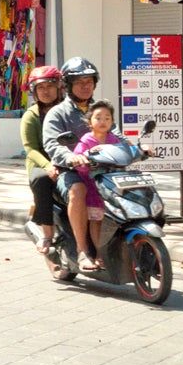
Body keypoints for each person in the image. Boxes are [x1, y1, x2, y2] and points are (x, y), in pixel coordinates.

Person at [42, 56, 102, 271]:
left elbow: (116, 135)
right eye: (79, 82)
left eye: (89, 82)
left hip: (101, 170)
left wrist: (135, 148)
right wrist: (70, 157)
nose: (86, 87)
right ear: (68, 86)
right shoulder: (57, 113)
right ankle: (82, 250)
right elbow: (51, 144)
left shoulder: (100, 110)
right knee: (78, 190)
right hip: (71, 172)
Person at [72, 100, 123, 262]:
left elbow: (126, 151)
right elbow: (78, 157)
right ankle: (99, 253)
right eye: (98, 118)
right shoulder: (86, 140)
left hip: (113, 186)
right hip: (94, 187)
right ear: (90, 122)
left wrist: (142, 149)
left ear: (112, 122)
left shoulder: (114, 139)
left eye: (107, 118)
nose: (103, 122)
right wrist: (82, 157)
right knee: (97, 220)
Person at [21, 65, 64, 253]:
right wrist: (48, 165)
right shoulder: (31, 116)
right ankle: (47, 234)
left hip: (68, 159)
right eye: (41, 88)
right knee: (41, 180)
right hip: (41, 162)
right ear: (35, 91)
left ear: (59, 87)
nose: (46, 91)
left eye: (50, 86)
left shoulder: (68, 110)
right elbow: (30, 148)